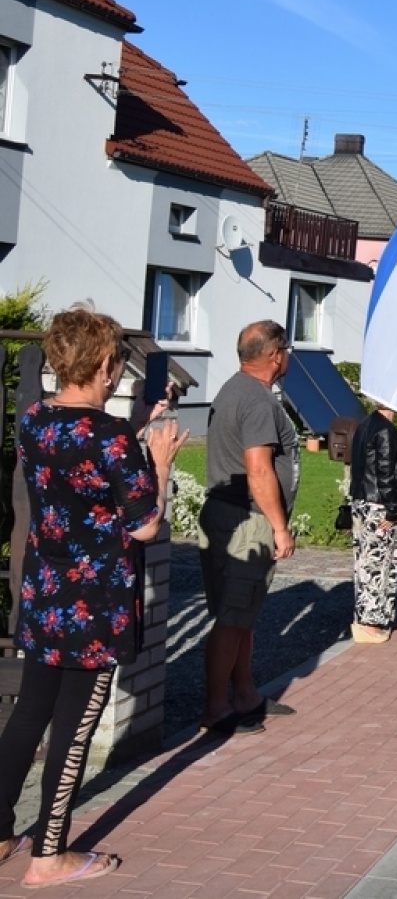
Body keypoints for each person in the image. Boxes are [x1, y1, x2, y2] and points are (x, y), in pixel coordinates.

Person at [0, 306, 185, 888]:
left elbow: (80, 467)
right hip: (95, 604)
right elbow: (145, 524)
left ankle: (0, 832)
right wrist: (159, 464)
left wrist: (133, 432)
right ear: (105, 364)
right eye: (118, 363)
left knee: (29, 712)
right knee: (74, 727)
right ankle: (48, 856)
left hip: (46, 593)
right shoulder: (110, 438)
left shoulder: (35, 420)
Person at [198, 320, 299, 736]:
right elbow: (258, 470)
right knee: (232, 617)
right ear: (275, 355)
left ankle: (244, 694)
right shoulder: (256, 401)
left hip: (228, 514)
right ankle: (216, 708)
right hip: (247, 522)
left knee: (242, 615)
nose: (288, 356)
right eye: (287, 349)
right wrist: (279, 527)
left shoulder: (232, 389)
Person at [347, 402, 397, 641]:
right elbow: (386, 472)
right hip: (379, 505)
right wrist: (392, 510)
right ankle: (370, 623)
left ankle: (365, 618)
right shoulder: (385, 430)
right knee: (378, 564)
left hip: (364, 501)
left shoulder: (366, 424)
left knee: (365, 562)